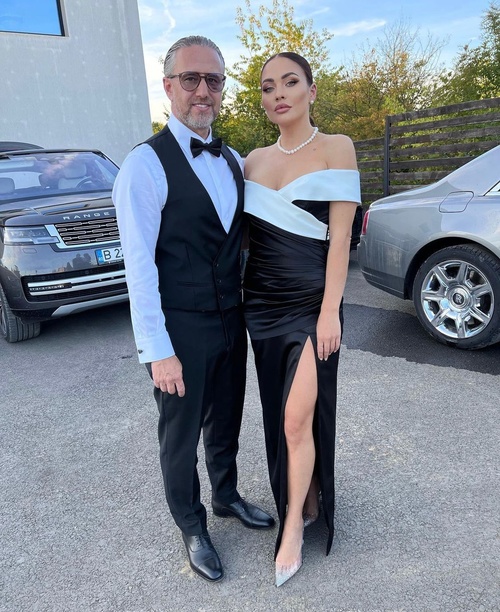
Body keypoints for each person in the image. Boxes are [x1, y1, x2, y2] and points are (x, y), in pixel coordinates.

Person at [112, 35, 274, 584]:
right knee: (179, 436)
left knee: (226, 417)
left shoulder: (233, 160)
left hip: (232, 319)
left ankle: (226, 495)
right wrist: (157, 351)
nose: (203, 90)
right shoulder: (144, 166)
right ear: (168, 86)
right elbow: (138, 268)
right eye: (191, 79)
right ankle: (191, 525)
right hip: (178, 327)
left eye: (214, 80)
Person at [243, 52, 361, 586]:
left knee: (296, 418)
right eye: (268, 87)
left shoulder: (337, 147)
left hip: (312, 307)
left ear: (311, 90)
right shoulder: (251, 161)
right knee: (280, 413)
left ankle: (293, 525)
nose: (278, 94)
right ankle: (304, 493)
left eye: (289, 82)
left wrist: (331, 311)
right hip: (261, 306)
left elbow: (341, 238)